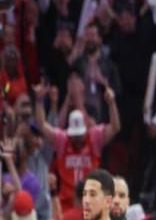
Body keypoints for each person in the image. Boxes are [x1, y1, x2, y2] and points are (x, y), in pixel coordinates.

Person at [34, 83, 121, 211]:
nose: (77, 139)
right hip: (66, 203)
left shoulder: (94, 138)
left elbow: (115, 127)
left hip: (92, 201)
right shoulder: (62, 140)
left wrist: (111, 103)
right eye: (74, 135)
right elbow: (42, 124)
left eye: (80, 135)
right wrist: (39, 101)